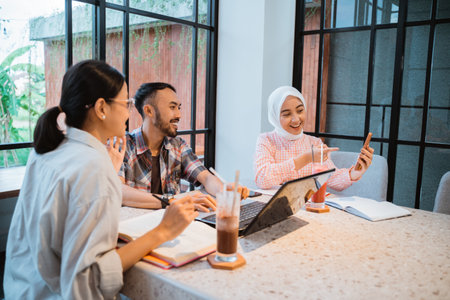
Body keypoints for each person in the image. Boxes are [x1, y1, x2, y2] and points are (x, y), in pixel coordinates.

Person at [4, 60, 198, 299]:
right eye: (126, 103)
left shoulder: (46, 150)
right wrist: (163, 231)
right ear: (101, 108)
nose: (129, 112)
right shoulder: (93, 167)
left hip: (20, 290)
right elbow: (86, 283)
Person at [119, 82, 248, 211]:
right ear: (149, 111)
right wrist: (172, 201)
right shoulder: (123, 145)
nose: (179, 115)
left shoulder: (177, 146)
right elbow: (119, 192)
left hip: (174, 223)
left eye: (178, 108)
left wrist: (224, 191)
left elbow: (206, 178)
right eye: (172, 107)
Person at [254, 86, 374, 190]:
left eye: (300, 110)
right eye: (287, 114)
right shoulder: (266, 140)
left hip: (307, 209)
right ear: (275, 117)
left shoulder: (315, 143)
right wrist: (306, 158)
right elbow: (262, 178)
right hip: (277, 210)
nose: (296, 119)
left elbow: (331, 178)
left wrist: (355, 172)